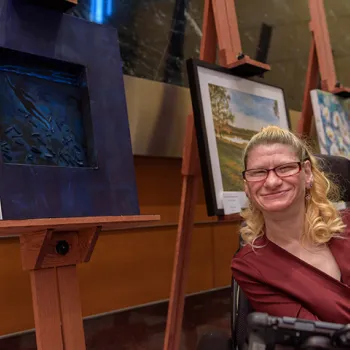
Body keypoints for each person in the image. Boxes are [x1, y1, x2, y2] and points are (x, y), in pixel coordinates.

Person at [231, 125, 350, 324]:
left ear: (307, 173)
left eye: (285, 168)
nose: (272, 182)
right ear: (246, 187)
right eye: (259, 172)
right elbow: (316, 337)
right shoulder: (251, 266)